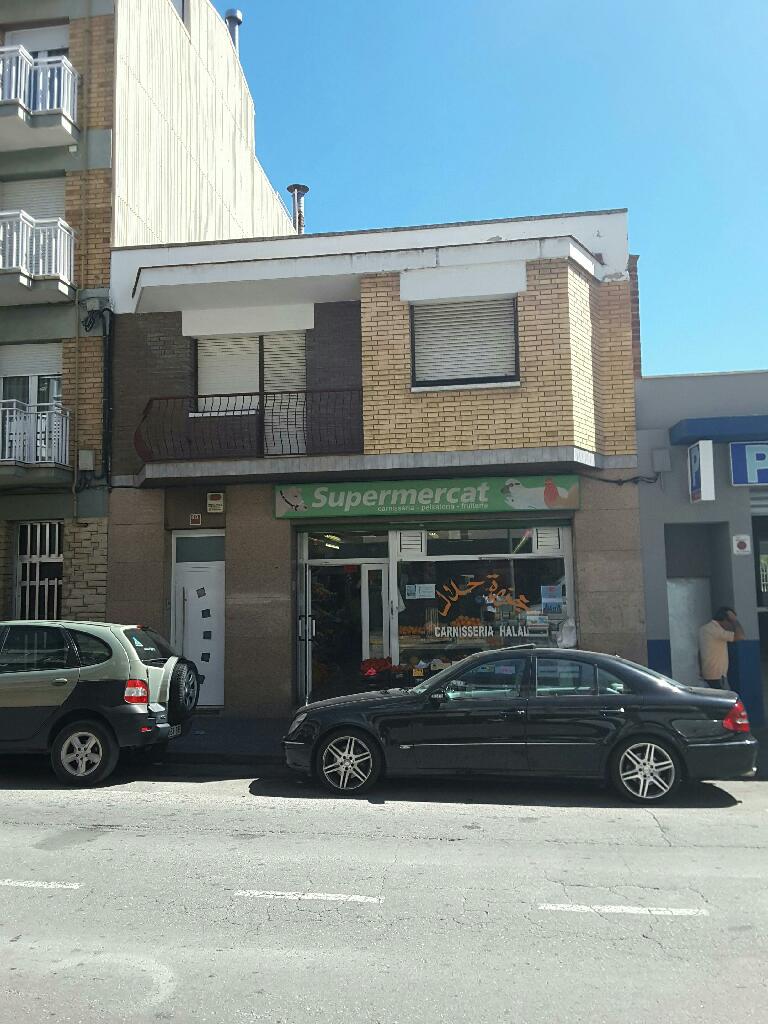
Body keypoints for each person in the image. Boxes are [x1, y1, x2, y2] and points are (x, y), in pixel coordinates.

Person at [698, 607, 745, 688]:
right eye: (730, 622)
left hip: (708, 672)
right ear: (725, 620)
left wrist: (701, 669)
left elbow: (700, 652)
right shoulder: (716, 630)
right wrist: (735, 620)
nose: (731, 626)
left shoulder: (704, 629)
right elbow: (741, 636)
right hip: (717, 674)